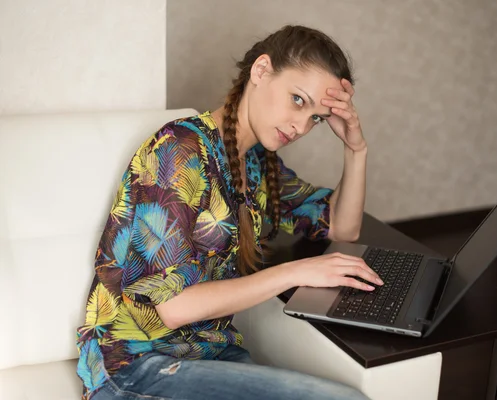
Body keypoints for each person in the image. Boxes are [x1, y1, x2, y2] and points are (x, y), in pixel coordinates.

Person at [76, 24, 383, 400]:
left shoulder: (256, 163)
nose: (302, 126)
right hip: (135, 368)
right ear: (261, 70)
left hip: (211, 354)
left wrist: (356, 149)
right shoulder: (181, 148)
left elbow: (342, 225)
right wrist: (297, 272)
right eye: (298, 100)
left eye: (317, 118)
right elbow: (171, 307)